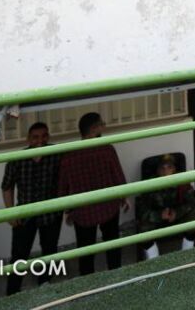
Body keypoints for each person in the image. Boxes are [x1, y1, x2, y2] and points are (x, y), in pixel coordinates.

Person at [57, 113, 128, 277]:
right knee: (112, 245)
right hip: (108, 207)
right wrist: (124, 197)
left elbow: (63, 185)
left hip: (83, 212)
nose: (104, 127)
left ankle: (88, 283)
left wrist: (67, 210)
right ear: (94, 128)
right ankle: (116, 277)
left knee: (86, 251)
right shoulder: (106, 149)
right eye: (101, 124)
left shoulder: (69, 155)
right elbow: (117, 175)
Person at [2, 122, 61, 295]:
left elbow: (67, 177)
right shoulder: (17, 159)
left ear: (48, 137)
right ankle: (12, 293)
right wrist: (10, 213)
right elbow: (7, 186)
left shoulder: (56, 154)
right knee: (19, 255)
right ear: (28, 139)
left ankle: (45, 284)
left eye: (44, 136)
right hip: (25, 215)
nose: (40, 140)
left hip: (50, 214)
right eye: (35, 137)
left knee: (49, 251)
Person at [135, 155, 195, 256]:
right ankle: (154, 258)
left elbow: (192, 203)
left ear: (174, 169)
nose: (166, 172)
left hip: (177, 217)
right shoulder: (149, 184)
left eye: (169, 167)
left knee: (194, 215)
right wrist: (159, 215)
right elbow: (141, 209)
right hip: (157, 218)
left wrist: (177, 213)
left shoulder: (182, 182)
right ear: (157, 170)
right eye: (162, 168)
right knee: (143, 227)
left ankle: (187, 253)